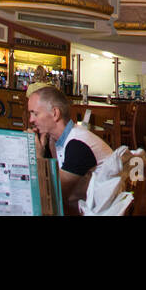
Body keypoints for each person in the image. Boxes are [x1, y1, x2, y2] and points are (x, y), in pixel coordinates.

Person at [27, 85, 113, 213]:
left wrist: (38, 156)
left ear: (55, 113)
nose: (31, 120)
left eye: (35, 113)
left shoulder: (78, 145)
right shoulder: (59, 140)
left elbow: (53, 195)